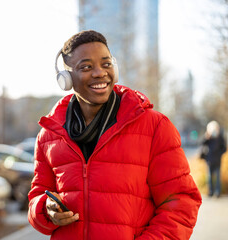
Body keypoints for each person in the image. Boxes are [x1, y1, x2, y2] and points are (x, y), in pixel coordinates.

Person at [28, 30, 202, 239]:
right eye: (86, 67)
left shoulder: (155, 126)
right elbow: (36, 198)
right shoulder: (49, 136)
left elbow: (181, 202)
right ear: (66, 78)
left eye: (106, 64)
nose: (100, 72)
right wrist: (45, 209)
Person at [201, 120, 226, 197]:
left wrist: (220, 154)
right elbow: (202, 143)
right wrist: (207, 136)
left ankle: (217, 192)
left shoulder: (220, 137)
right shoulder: (208, 137)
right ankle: (211, 192)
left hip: (217, 160)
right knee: (209, 177)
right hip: (209, 160)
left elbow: (224, 148)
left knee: (218, 177)